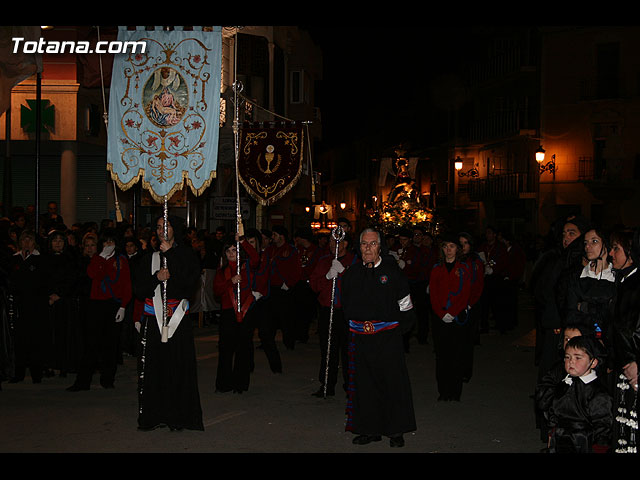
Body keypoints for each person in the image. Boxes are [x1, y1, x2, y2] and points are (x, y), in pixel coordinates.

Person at [341, 228, 416, 448]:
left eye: (373, 244)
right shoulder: (352, 274)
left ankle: (395, 430)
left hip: (387, 338)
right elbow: (345, 306)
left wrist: (396, 332)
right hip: (360, 339)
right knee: (364, 386)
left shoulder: (393, 273)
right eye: (364, 244)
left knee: (392, 385)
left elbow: (406, 306)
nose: (368, 248)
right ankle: (368, 429)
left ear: (380, 246)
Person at [134, 215, 203, 431]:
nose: (162, 229)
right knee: (155, 369)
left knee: (178, 368)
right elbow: (138, 290)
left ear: (176, 229)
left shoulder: (186, 255)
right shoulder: (149, 258)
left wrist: (170, 255)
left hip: (177, 321)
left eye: (167, 226)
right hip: (154, 320)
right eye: (158, 226)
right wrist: (156, 277)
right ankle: (154, 415)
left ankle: (178, 416)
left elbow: (188, 285)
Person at [66, 228, 132, 391]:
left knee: (110, 345)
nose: (108, 244)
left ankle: (107, 379)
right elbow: (92, 273)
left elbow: (125, 284)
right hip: (95, 304)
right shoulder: (97, 258)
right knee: (91, 345)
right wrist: (101, 258)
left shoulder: (121, 260)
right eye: (105, 241)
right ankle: (83, 381)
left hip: (113, 304)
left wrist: (123, 306)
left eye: (111, 241)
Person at [536, 335, 612, 453]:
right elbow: (552, 410)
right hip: (560, 441)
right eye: (567, 357)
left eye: (578, 358)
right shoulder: (564, 383)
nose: (571, 361)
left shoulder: (597, 392)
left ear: (593, 362)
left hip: (583, 444)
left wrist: (598, 448)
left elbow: (603, 426)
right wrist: (552, 433)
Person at [309, 231, 356, 397]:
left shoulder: (355, 261)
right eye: (330, 240)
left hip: (347, 312)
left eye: (337, 241)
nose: (332, 244)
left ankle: (351, 386)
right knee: (328, 349)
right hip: (327, 310)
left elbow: (358, 287)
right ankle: (327, 384)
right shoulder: (323, 261)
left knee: (349, 350)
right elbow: (314, 285)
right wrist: (328, 276)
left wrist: (344, 273)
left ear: (345, 244)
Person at [212, 234, 261, 393]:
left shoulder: (247, 266)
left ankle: (240, 384)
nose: (232, 253)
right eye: (229, 251)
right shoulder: (222, 271)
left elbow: (255, 257)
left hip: (246, 312)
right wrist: (230, 282)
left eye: (235, 250)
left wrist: (243, 241)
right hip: (228, 312)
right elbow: (217, 291)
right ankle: (224, 384)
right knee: (225, 349)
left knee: (244, 348)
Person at [429, 233, 472, 401]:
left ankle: (455, 391)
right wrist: (441, 313)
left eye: (452, 246)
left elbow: (465, 293)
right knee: (442, 355)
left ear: (457, 249)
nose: (448, 250)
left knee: (456, 354)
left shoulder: (463, 269)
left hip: (456, 317)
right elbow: (433, 294)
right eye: (446, 246)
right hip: (440, 317)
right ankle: (443, 391)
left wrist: (453, 312)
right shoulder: (436, 269)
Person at [608, 228, 640, 453]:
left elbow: (630, 328)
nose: (611, 253)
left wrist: (633, 362)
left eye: (616, 249)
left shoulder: (634, 284)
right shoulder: (626, 280)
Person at [8, 230, 50, 384]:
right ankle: (18, 373)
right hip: (20, 305)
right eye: (24, 240)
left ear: (34, 242)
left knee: (36, 340)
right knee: (20, 341)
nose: (26, 242)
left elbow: (44, 281)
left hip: (37, 305)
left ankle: (36, 374)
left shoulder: (41, 260)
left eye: (29, 240)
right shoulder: (14, 259)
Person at [43, 230, 78, 377]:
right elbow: (41, 279)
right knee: (48, 335)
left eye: (60, 240)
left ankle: (64, 365)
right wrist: (49, 295)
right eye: (54, 240)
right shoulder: (44, 259)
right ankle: (49, 365)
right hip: (48, 302)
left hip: (64, 302)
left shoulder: (70, 259)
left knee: (64, 334)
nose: (57, 243)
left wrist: (60, 294)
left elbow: (72, 280)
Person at [264, 225, 302, 351]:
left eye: (274, 235)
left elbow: (296, 270)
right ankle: (267, 342)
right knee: (270, 318)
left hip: (284, 288)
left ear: (281, 236)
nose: (272, 237)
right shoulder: (270, 250)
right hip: (271, 288)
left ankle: (289, 341)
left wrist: (288, 284)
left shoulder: (291, 250)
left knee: (286, 317)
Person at [459, 231, 484, 382]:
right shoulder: (455, 260)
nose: (463, 247)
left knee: (467, 341)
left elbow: (478, 286)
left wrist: (469, 303)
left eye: (465, 243)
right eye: (460, 244)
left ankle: (465, 372)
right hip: (455, 306)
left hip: (469, 306)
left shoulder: (475, 262)